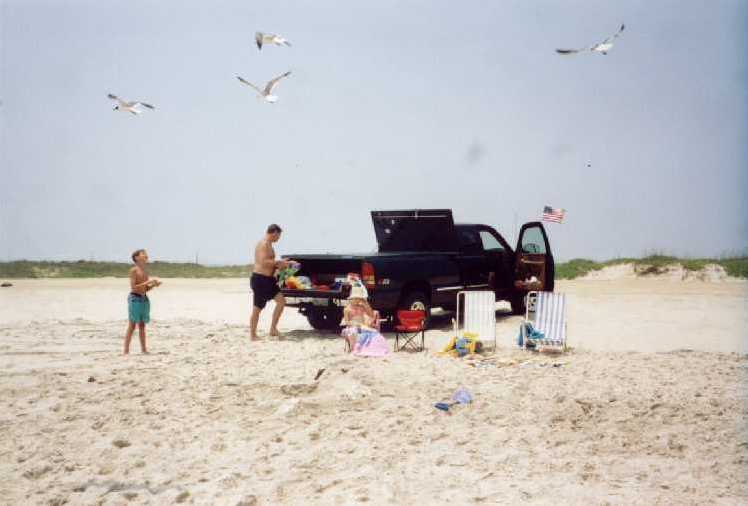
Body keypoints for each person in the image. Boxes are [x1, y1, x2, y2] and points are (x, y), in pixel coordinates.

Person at [250, 224, 290, 340]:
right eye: (278, 236)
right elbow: (263, 262)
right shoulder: (263, 244)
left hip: (269, 280)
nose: (278, 238)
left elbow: (270, 262)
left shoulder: (269, 244)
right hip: (260, 279)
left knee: (281, 301)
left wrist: (283, 263)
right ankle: (253, 335)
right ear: (274, 233)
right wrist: (278, 263)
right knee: (257, 308)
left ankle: (273, 329)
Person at [124, 249, 161, 354]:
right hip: (134, 299)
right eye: (143, 254)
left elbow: (145, 289)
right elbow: (133, 287)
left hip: (144, 299)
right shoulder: (134, 270)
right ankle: (126, 351)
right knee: (132, 325)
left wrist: (153, 285)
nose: (146, 255)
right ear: (136, 258)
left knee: (142, 325)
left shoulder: (145, 271)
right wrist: (148, 282)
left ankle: (144, 350)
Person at [340, 284, 389, 357]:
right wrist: (354, 324)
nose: (357, 300)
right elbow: (347, 322)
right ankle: (355, 349)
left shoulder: (362, 307)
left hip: (363, 326)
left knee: (375, 333)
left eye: (358, 299)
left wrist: (366, 304)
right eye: (355, 298)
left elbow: (371, 315)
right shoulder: (347, 309)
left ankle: (370, 349)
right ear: (351, 299)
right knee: (354, 332)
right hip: (352, 326)